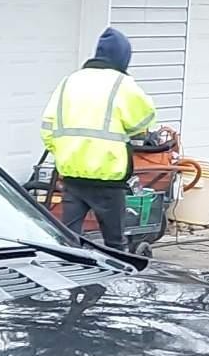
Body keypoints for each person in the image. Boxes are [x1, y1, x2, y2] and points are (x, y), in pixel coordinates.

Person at [41, 25, 159, 254]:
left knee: (70, 241)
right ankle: (117, 281)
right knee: (115, 244)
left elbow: (47, 127)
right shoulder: (122, 84)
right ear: (123, 58)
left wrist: (65, 152)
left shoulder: (69, 81)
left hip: (72, 175)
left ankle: (70, 280)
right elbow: (143, 121)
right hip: (107, 178)